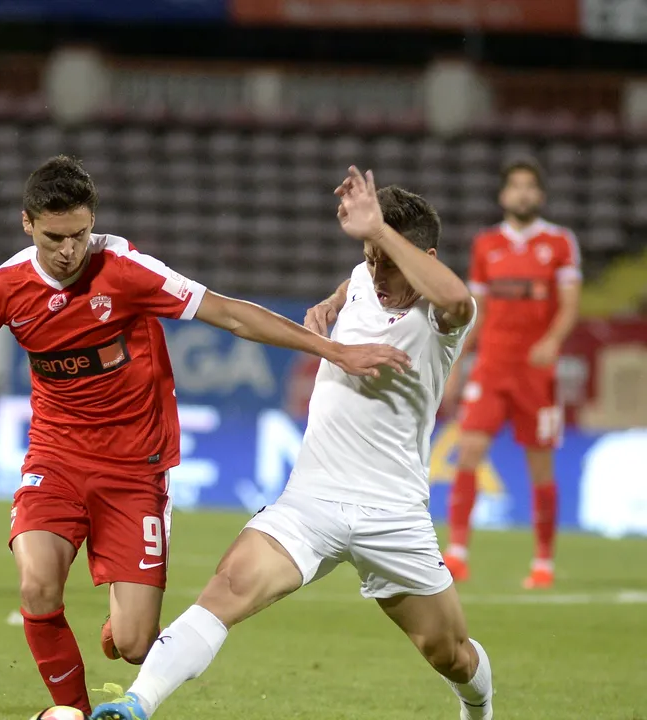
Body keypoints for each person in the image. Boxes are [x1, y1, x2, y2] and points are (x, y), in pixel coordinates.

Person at [0, 156, 409, 714]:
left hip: (136, 467)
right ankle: (74, 712)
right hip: (55, 459)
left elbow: (230, 314)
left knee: (137, 645)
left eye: (80, 234)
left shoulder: (127, 269)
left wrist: (333, 350)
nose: (68, 250)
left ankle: (124, 624)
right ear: (27, 224)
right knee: (38, 587)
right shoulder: (4, 288)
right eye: (54, 237)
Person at [90, 168, 492, 720]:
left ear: (425, 253)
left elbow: (460, 297)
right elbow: (354, 280)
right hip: (312, 499)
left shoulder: (441, 318)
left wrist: (381, 232)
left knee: (448, 653)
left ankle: (479, 706)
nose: (376, 271)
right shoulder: (362, 276)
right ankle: (137, 703)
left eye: (389, 259)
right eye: (370, 255)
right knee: (228, 587)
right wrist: (330, 303)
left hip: (393, 512)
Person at [444, 157, 581, 590]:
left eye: (529, 187)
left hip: (536, 372)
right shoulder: (486, 245)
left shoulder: (559, 242)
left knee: (540, 465)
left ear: (539, 195)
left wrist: (552, 341)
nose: (522, 194)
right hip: (491, 365)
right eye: (515, 187)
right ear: (503, 196)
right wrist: (455, 362)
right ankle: (458, 554)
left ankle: (543, 561)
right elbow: (476, 312)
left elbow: (571, 303)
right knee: (468, 452)